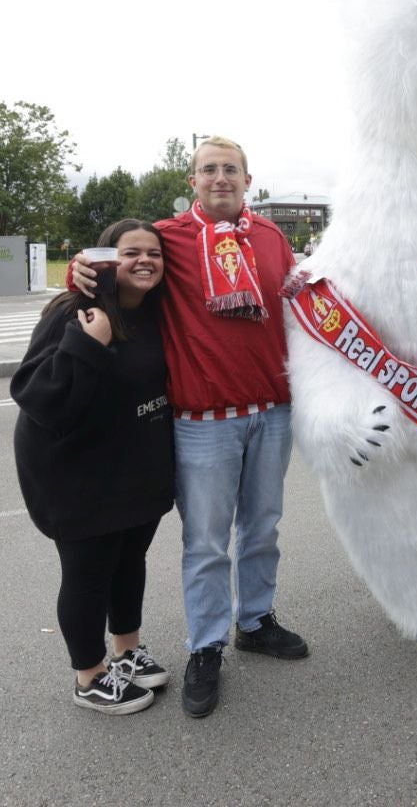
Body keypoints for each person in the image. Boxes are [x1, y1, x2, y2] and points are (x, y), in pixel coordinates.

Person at [71, 136, 306, 719]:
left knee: (263, 528)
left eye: (231, 169)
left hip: (273, 412)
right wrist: (85, 264)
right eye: (209, 169)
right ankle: (206, 645)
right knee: (204, 542)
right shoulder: (169, 238)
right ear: (193, 180)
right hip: (203, 421)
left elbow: (303, 301)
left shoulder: (273, 238)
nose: (220, 178)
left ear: (249, 180)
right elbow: (120, 263)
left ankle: (255, 620)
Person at [13, 219, 175, 716]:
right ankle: (89, 675)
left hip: (134, 469)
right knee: (87, 574)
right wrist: (89, 344)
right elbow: (38, 395)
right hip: (75, 473)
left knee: (129, 563)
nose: (144, 260)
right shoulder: (74, 311)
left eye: (154, 252)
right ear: (104, 260)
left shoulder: (156, 311)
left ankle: (127, 651)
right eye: (130, 253)